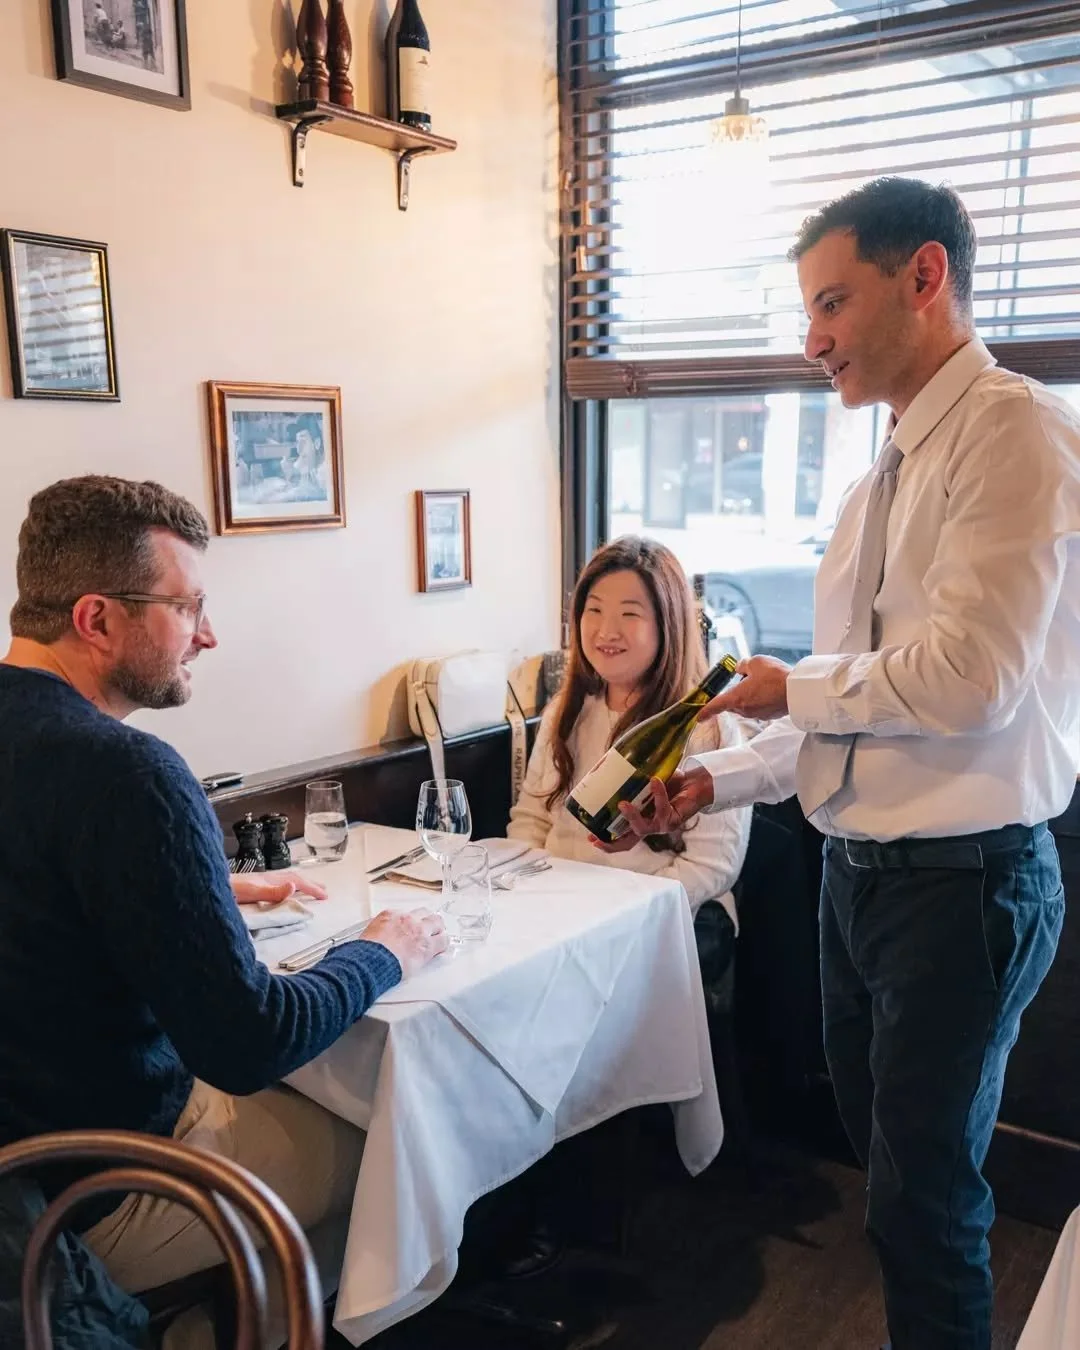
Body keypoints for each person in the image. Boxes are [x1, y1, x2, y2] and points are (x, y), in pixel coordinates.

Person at [609, 177, 1080, 1350]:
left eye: (831, 304)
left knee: (926, 1204)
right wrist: (720, 776)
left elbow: (972, 679)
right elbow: (854, 709)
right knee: (893, 1179)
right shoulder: (880, 478)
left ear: (925, 277)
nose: (809, 341)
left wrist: (785, 686)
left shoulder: (1015, 430)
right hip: (856, 880)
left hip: (961, 884)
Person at [0, 475, 448, 1341]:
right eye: (187, 607)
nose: (208, 634)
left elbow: (36, 896)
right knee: (403, 1144)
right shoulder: (126, 771)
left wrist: (206, 884)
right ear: (96, 619)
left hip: (21, 1147)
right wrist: (388, 948)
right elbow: (250, 1040)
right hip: (87, 1191)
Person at [509, 536, 750, 933]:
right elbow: (530, 821)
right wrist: (536, 897)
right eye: (595, 610)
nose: (607, 631)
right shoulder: (565, 713)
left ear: (667, 625)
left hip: (650, 924)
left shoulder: (709, 730)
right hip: (557, 917)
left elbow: (711, 868)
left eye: (629, 614)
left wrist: (614, 916)